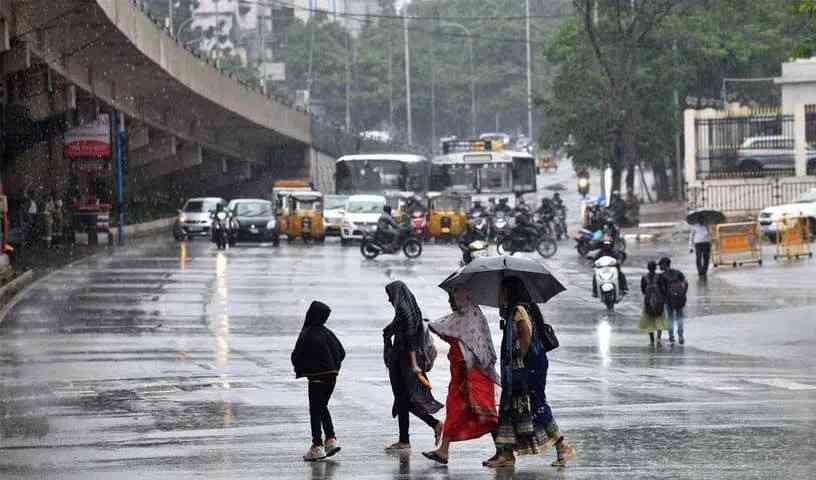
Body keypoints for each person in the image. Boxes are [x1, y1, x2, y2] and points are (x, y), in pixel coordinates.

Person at [483, 277, 575, 469]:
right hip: (522, 368)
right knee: (509, 407)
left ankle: (562, 445)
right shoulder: (515, 310)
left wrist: (520, 368)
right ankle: (505, 453)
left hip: (529, 368)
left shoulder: (519, 311)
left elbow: (525, 340)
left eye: (502, 290)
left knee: (536, 405)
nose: (499, 295)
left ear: (510, 291)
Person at [422, 288, 499, 465]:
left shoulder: (472, 317)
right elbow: (446, 330)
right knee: (454, 409)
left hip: (475, 375)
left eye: (452, 298)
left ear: (462, 297)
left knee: (487, 414)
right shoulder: (459, 317)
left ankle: (504, 451)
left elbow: (479, 347)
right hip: (459, 376)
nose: (450, 303)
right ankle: (443, 451)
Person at [383, 281, 443, 452]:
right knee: (404, 401)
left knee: (403, 400)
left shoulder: (404, 312)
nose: (389, 300)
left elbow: (410, 341)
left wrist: (415, 366)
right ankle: (430, 426)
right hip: (402, 361)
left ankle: (406, 439)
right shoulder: (408, 309)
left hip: (405, 362)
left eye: (390, 295)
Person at [291, 301, 346, 462]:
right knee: (321, 407)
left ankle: (317, 446)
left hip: (316, 378)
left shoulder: (307, 332)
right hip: (331, 377)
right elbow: (341, 352)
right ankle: (330, 440)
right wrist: (334, 367)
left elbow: (297, 355)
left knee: (315, 410)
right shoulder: (327, 333)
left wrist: (304, 368)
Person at [640, 261, 671, 346]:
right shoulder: (660, 277)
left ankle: (651, 339)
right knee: (659, 319)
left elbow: (643, 290)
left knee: (649, 320)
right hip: (659, 302)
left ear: (648, 268)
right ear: (655, 268)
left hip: (648, 302)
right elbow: (664, 289)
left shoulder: (644, 277)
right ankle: (659, 337)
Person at [659, 257, 688, 345]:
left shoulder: (662, 276)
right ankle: (681, 336)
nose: (659, 266)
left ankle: (671, 337)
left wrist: (663, 300)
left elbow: (661, 290)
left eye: (660, 264)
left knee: (670, 318)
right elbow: (686, 283)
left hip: (669, 300)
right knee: (679, 317)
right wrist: (683, 294)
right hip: (679, 299)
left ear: (664, 264)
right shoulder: (678, 272)